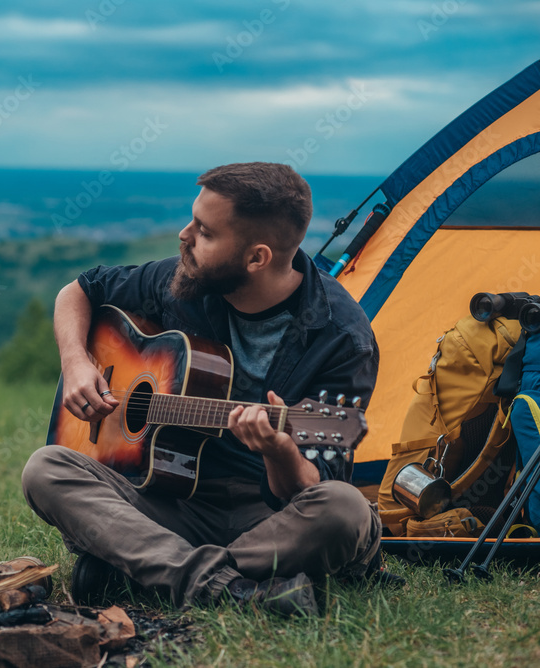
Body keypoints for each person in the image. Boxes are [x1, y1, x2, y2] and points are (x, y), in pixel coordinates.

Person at [22, 162, 382, 616]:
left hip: (265, 516)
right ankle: (230, 586)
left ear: (257, 258)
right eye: (193, 220)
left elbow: (313, 488)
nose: (184, 235)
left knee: (343, 511)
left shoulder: (342, 338)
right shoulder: (183, 281)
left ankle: (152, 569)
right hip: (172, 500)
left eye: (205, 232)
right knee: (45, 469)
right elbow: (80, 290)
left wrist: (277, 450)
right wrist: (76, 362)